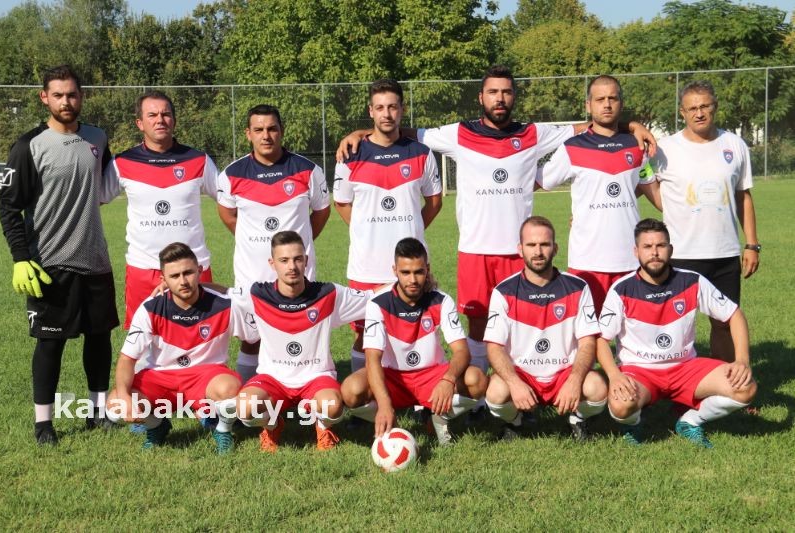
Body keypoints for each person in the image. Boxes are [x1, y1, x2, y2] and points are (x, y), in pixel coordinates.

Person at [338, 65, 656, 384]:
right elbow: (406, 132)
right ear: (481, 97)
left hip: (520, 252)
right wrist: (360, 134)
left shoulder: (533, 134)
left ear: (514, 96)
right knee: (478, 324)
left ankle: (521, 387)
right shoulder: (459, 134)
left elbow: (589, 126)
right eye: (492, 92)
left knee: (522, 323)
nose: (499, 98)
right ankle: (480, 392)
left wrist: (632, 125)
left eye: (505, 92)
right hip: (476, 250)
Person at [0, 65, 119, 445]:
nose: (66, 101)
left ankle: (97, 413)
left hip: (95, 259)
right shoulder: (28, 146)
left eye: (72, 94)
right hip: (49, 263)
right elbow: (8, 205)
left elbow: (108, 183)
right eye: (58, 95)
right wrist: (21, 258)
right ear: (44, 98)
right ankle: (43, 425)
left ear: (81, 96)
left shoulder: (97, 137)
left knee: (99, 339)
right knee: (50, 343)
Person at [596, 218, 756, 448]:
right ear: (636, 251)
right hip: (640, 370)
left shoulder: (691, 280)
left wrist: (742, 360)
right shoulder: (622, 289)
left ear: (670, 249)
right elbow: (601, 340)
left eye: (660, 246)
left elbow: (734, 315)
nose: (654, 253)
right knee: (622, 405)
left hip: (685, 367)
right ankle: (633, 424)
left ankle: (690, 421)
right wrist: (614, 375)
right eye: (647, 247)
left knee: (745, 388)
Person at [334, 78, 442, 374]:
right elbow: (341, 203)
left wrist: (411, 231)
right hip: (366, 266)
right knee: (364, 337)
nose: (386, 114)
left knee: (415, 330)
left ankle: (416, 389)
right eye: (380, 107)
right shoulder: (350, 155)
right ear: (370, 111)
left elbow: (434, 202)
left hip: (410, 265)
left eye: (392, 107)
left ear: (402, 110)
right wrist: (365, 230)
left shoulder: (421, 153)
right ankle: (362, 394)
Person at [646, 80, 759, 361]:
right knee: (674, 325)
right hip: (680, 254)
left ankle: (726, 381)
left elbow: (743, 196)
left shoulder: (734, 145)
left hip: (724, 254)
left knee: (724, 323)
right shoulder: (664, 149)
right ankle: (670, 380)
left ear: (715, 107)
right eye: (692, 108)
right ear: (682, 112)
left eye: (705, 106)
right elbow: (639, 182)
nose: (699, 113)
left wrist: (752, 244)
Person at [217, 105, 331, 382]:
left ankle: (303, 387)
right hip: (252, 271)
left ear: (282, 131)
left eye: (272, 129)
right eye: (258, 130)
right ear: (248, 134)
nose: (266, 136)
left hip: (296, 272)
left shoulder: (308, 170)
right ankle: (248, 391)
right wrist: (255, 245)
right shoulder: (232, 174)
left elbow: (321, 212)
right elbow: (229, 216)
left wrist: (296, 250)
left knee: (302, 333)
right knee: (251, 339)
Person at [233, 231, 372, 452]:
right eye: (284, 260)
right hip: (273, 377)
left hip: (315, 377)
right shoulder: (256, 294)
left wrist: (412, 286)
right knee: (245, 408)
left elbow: (374, 298)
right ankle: (273, 425)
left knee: (332, 406)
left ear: (306, 260)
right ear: (272, 263)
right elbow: (218, 295)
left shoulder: (327, 294)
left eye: (297, 259)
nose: (292, 267)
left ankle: (323, 428)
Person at [341, 238, 488, 445]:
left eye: (419, 272)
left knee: (477, 379)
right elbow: (372, 358)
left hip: (432, 376)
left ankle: (439, 417)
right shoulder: (378, 303)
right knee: (351, 390)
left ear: (427, 269)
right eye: (405, 272)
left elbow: (462, 351)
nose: (412, 280)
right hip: (393, 378)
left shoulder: (441, 300)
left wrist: (448, 380)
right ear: (395, 271)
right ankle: (390, 422)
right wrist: (384, 405)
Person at [105, 243, 243, 454]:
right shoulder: (151, 307)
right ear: (163, 279)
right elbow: (127, 359)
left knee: (229, 389)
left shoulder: (225, 304)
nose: (183, 281)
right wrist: (124, 396)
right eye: (175, 276)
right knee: (116, 405)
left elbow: (250, 312)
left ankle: (222, 430)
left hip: (206, 376)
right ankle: (157, 426)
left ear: (200, 271)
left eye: (188, 273)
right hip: (162, 377)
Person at [537, 75, 656, 313]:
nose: (607, 104)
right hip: (587, 262)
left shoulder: (637, 146)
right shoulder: (572, 147)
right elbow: (540, 181)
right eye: (600, 99)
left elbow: (650, 191)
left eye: (613, 98)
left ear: (621, 103)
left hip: (631, 259)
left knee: (633, 329)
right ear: (588, 105)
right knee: (590, 331)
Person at [103, 90, 220, 328]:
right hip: (143, 269)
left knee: (199, 338)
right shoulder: (122, 163)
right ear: (140, 123)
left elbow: (228, 200)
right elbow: (94, 200)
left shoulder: (199, 160)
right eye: (152, 115)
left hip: (192, 268)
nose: (160, 120)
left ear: (174, 120)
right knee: (143, 340)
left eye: (166, 114)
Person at [484, 216, 606, 441]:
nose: (538, 252)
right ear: (520, 249)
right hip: (523, 374)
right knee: (495, 393)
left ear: (555, 248)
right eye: (531, 245)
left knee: (597, 388)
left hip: (563, 374)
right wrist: (515, 383)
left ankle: (577, 419)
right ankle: (516, 421)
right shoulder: (504, 291)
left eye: (545, 244)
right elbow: (494, 347)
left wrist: (574, 380)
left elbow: (588, 342)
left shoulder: (577, 287)